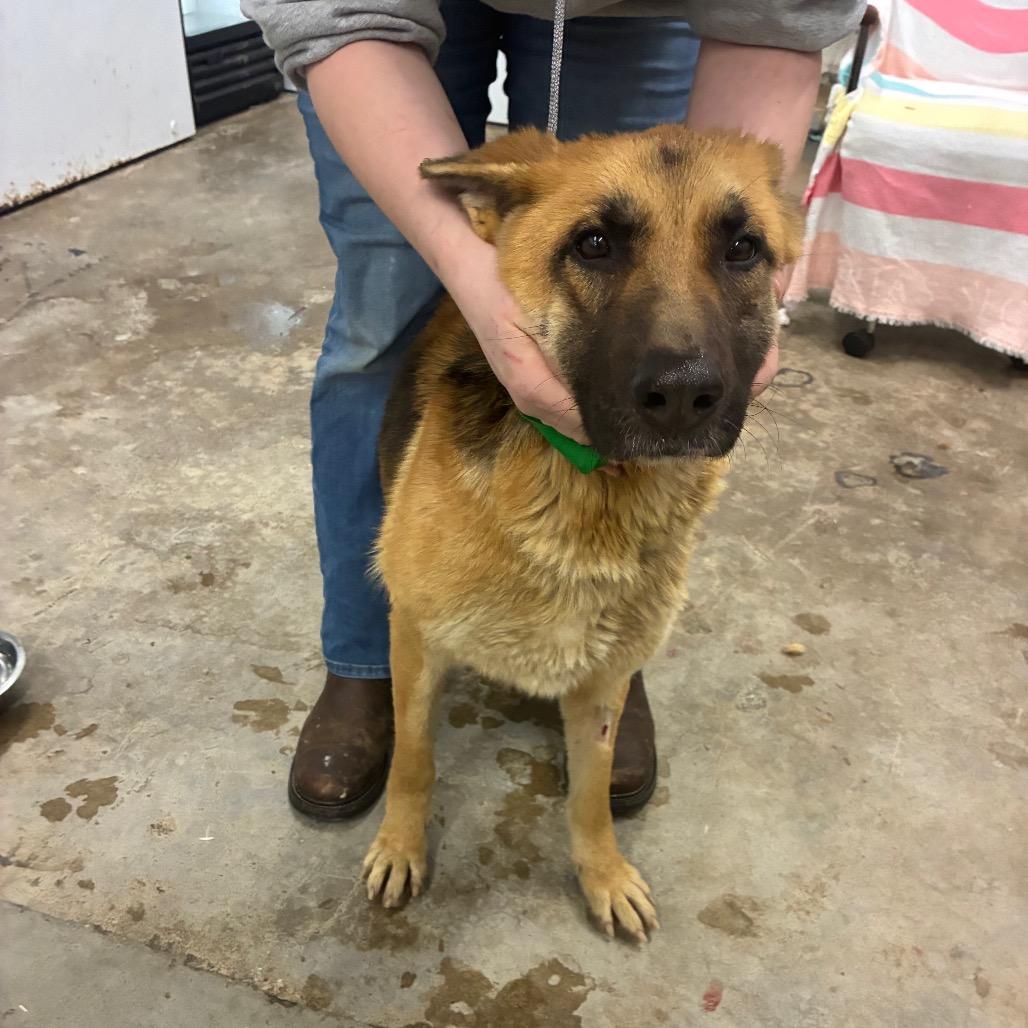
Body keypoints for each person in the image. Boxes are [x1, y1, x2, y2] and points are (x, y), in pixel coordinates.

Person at [241, 0, 864, 820]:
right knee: (381, 316)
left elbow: (774, 21)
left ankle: (604, 657)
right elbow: (331, 15)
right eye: (600, 250)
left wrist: (751, 283)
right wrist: (479, 277)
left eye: (741, 251)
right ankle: (365, 656)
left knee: (662, 191)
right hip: (365, 15)